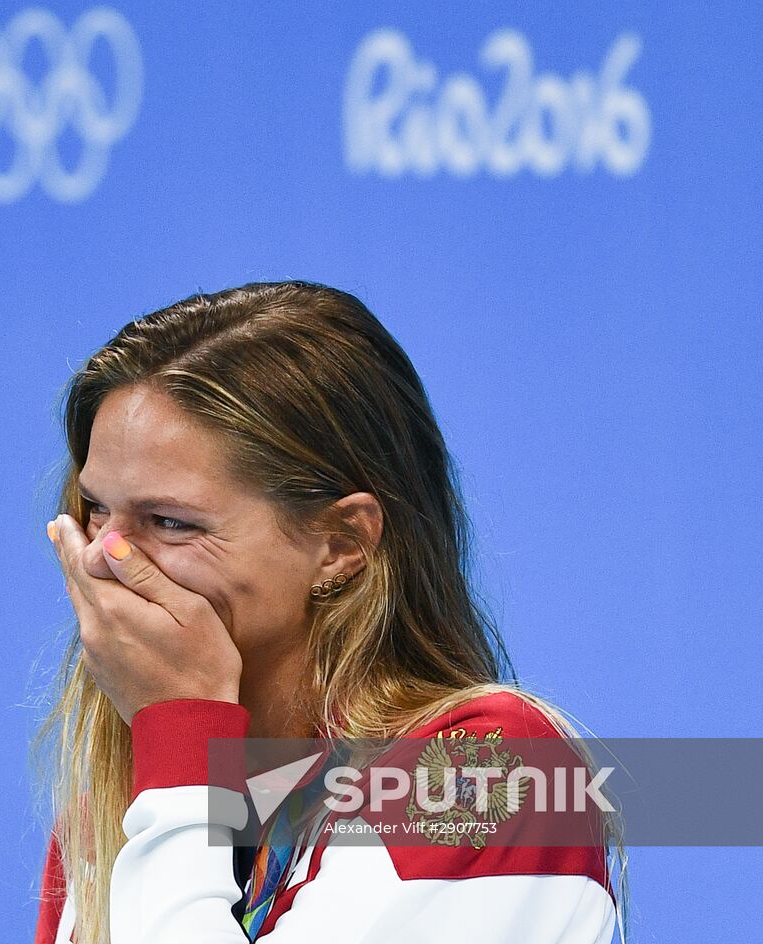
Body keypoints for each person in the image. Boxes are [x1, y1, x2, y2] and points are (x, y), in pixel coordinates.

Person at [31, 281, 624, 943]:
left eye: (171, 522)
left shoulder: (489, 774)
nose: (106, 560)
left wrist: (177, 732)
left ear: (342, 544)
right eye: (97, 513)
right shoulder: (116, 816)